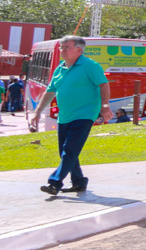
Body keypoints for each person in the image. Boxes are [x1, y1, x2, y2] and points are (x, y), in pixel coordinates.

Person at [30, 36, 112, 196]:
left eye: (66, 47)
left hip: (84, 115)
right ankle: (79, 181)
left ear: (79, 49)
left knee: (69, 150)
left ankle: (55, 182)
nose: (62, 50)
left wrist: (105, 106)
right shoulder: (60, 68)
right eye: (61, 47)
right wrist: (37, 112)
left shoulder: (90, 65)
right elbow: (50, 91)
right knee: (65, 152)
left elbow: (104, 84)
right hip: (65, 116)